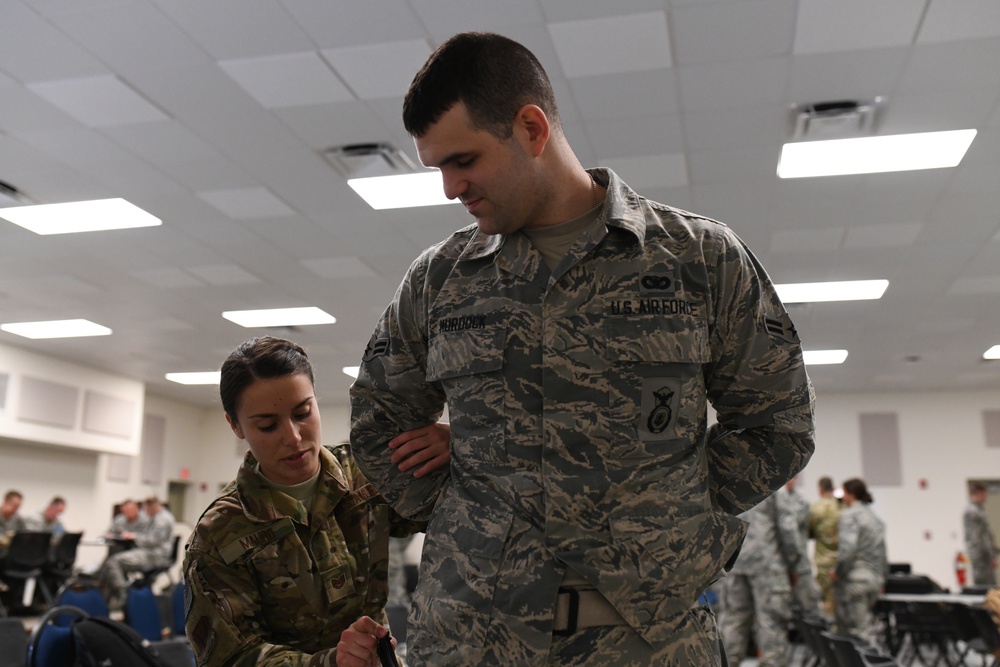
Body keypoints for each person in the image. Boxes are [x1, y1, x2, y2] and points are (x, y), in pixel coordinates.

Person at [349, 31, 816, 665]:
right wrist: (470, 514)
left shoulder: (697, 259)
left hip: (647, 644)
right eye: (438, 168)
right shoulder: (440, 279)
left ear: (531, 128)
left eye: (463, 160)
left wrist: (667, 509)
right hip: (473, 641)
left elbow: (777, 423)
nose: (450, 188)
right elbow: (378, 421)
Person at [183, 336, 450, 667]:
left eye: (303, 413)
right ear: (235, 425)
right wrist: (330, 662)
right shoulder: (220, 535)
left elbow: (459, 509)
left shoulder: (367, 474)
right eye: (268, 425)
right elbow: (231, 658)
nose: (293, 437)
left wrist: (458, 446)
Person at [720, 492, 809, 667]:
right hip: (767, 565)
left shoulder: (734, 481)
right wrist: (794, 565)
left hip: (735, 563)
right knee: (771, 623)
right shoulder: (775, 486)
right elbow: (788, 529)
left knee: (734, 621)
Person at [832, 478, 887, 645]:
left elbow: (847, 550)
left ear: (851, 494)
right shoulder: (874, 517)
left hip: (855, 581)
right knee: (865, 628)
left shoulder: (850, 515)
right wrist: (882, 578)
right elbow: (883, 552)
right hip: (873, 580)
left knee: (855, 635)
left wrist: (838, 572)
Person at [98, 495, 175, 609]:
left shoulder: (162, 520)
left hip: (155, 555)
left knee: (113, 562)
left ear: (151, 507)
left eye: (145, 509)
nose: (144, 512)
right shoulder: (158, 517)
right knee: (110, 563)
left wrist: (134, 536)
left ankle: (124, 596)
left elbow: (153, 540)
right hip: (150, 552)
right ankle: (107, 594)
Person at [782, 476, 821, 612]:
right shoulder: (772, 499)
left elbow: (790, 524)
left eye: (791, 478)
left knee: (807, 605)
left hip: (799, 563)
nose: (788, 482)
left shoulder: (801, 501)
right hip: (778, 564)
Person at [809, 476, 841, 617]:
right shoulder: (842, 507)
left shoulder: (815, 508)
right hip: (841, 562)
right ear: (832, 488)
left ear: (820, 490)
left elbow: (809, 532)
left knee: (827, 601)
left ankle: (831, 633)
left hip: (823, 561)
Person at [964, 482, 998, 586]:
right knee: (986, 586)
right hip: (981, 556)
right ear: (978, 493)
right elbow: (978, 537)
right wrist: (991, 555)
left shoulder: (977, 510)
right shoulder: (973, 511)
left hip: (981, 555)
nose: (986, 497)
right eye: (984, 494)